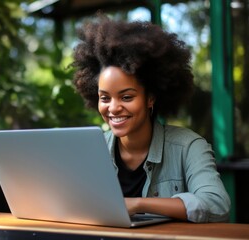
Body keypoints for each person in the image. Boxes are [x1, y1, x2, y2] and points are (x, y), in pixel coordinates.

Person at [71, 15, 230, 223]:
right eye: (105, 98)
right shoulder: (92, 148)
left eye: (126, 97)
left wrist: (138, 204)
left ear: (150, 98)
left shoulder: (188, 147)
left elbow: (217, 205)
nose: (114, 108)